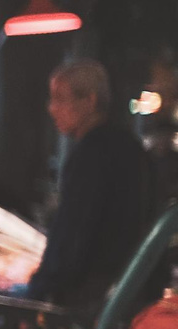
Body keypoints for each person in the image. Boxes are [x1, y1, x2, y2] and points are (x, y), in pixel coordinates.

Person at [25, 57, 153, 308]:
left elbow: (74, 232)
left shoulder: (91, 155)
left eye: (60, 98)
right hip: (132, 288)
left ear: (90, 101)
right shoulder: (130, 147)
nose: (52, 109)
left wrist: (41, 288)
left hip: (96, 295)